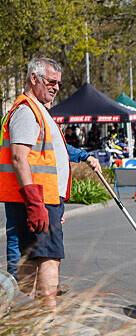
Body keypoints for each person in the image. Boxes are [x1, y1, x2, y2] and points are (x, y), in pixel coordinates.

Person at [0, 57, 100, 308]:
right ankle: (47, 314)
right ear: (34, 79)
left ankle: (27, 313)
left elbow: (52, 152)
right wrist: (35, 202)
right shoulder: (27, 112)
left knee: (33, 257)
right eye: (51, 81)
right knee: (48, 256)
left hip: (43, 198)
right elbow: (19, 158)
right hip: (37, 198)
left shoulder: (37, 111)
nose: (56, 87)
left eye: (59, 83)